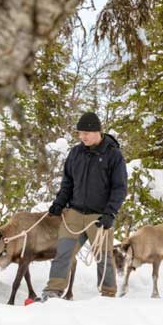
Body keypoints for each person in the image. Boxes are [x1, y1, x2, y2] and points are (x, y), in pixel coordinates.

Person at [41, 112, 127, 299]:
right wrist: (59, 203)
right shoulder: (76, 153)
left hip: (99, 217)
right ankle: (52, 291)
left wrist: (110, 213)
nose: (82, 137)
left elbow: (119, 188)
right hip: (75, 214)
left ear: (98, 131)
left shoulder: (113, 155)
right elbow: (68, 183)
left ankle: (107, 293)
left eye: (86, 133)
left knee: (104, 257)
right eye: (80, 133)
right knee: (63, 252)